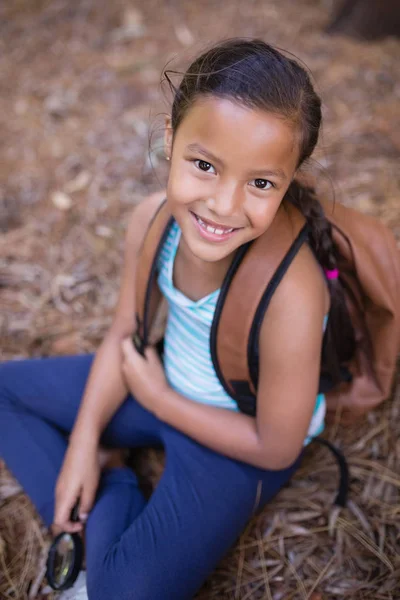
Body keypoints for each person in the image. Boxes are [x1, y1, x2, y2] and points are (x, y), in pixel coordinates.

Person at [0, 38, 353, 600]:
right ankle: (108, 477)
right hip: (159, 379)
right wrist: (83, 447)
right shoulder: (152, 222)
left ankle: (113, 496)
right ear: (170, 139)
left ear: (288, 182)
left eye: (261, 183)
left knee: (123, 592)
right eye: (205, 165)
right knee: (5, 391)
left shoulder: (294, 292)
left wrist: (160, 398)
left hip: (235, 435)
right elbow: (126, 332)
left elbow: (277, 446)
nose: (223, 205)